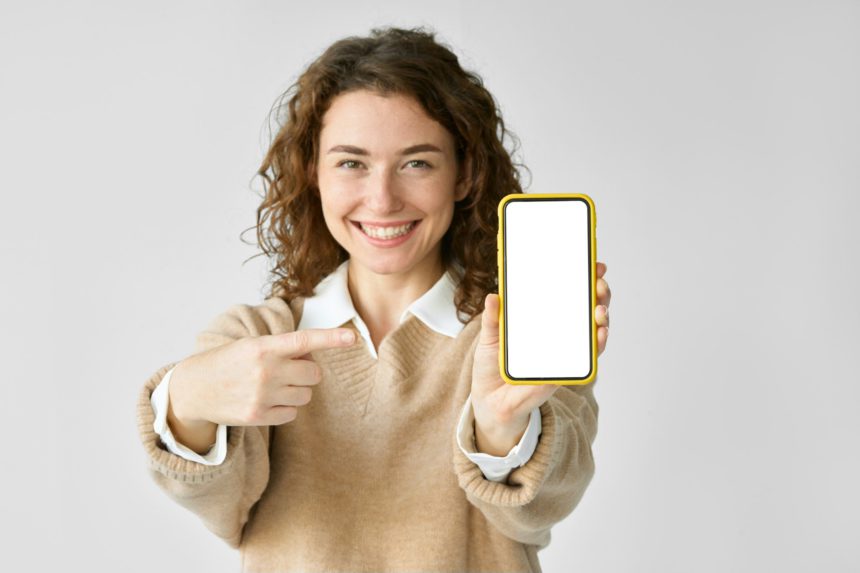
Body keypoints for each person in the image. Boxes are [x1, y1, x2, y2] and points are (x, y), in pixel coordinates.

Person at [136, 26, 612, 573]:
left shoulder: (518, 338)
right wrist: (186, 397)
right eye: (351, 163)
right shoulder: (255, 339)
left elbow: (543, 508)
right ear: (312, 173)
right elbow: (220, 509)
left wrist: (501, 427)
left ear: (464, 175)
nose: (382, 199)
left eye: (417, 163)